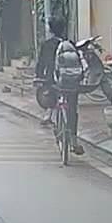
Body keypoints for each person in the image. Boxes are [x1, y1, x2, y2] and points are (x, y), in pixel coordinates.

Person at [37, 15, 83, 155]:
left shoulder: (46, 45)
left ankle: (52, 118)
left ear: (50, 29)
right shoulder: (70, 44)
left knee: (53, 101)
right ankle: (74, 140)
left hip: (53, 81)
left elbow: (41, 65)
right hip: (70, 82)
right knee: (72, 109)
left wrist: (39, 77)